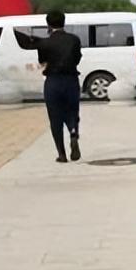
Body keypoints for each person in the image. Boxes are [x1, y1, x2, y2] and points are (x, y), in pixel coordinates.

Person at [35, 11, 82, 163]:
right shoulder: (74, 40)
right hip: (71, 80)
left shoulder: (44, 43)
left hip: (53, 82)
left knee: (55, 118)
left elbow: (42, 62)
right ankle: (73, 133)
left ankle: (62, 154)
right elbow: (77, 59)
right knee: (72, 112)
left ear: (48, 24)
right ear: (64, 22)